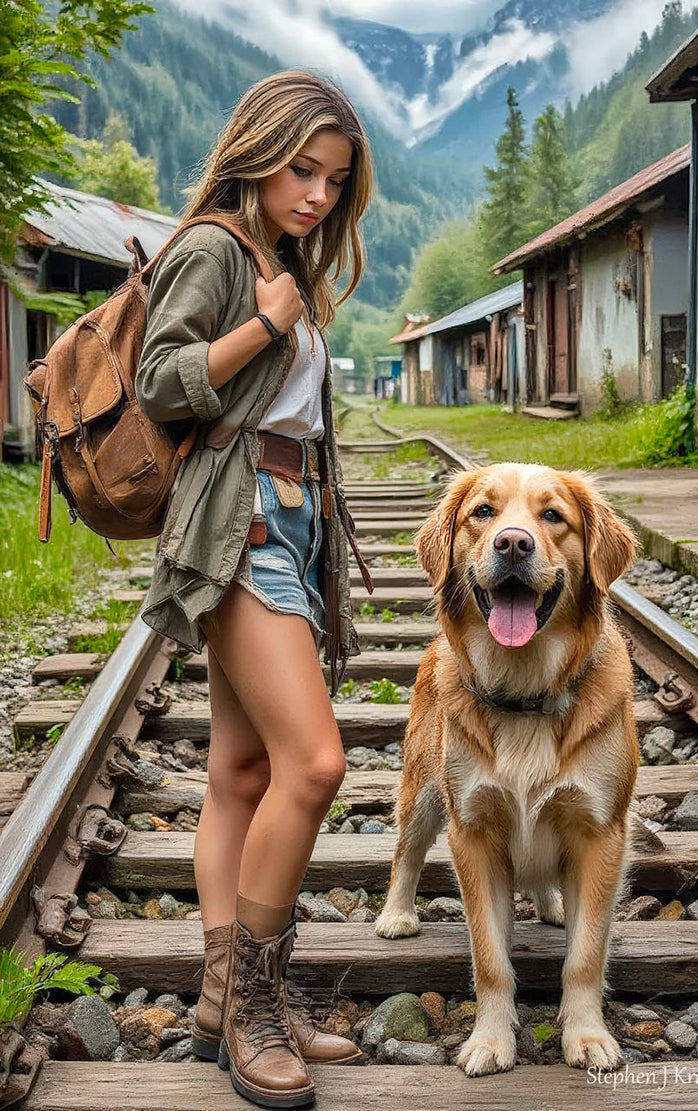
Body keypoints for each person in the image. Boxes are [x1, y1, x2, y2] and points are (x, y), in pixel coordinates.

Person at [134, 70, 373, 1108]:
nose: (316, 194)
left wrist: (286, 309)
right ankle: (252, 1011)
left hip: (287, 517)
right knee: (313, 762)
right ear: (257, 148)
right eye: (300, 168)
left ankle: (218, 997)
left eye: (333, 179)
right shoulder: (216, 249)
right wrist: (267, 323)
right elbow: (160, 379)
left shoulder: (281, 262)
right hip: (239, 524)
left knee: (240, 771)